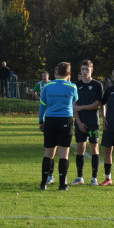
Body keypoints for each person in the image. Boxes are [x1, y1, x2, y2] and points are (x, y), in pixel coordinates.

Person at [38, 61, 78, 190]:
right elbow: (74, 100)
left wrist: (41, 121)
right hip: (65, 120)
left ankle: (43, 183)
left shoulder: (47, 86)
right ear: (69, 73)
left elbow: (42, 105)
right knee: (64, 154)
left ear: (56, 72)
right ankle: (62, 184)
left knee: (48, 153)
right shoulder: (72, 87)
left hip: (50, 120)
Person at [72, 60, 104, 186]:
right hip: (80, 121)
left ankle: (94, 178)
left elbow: (98, 104)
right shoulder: (76, 85)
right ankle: (80, 177)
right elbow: (74, 106)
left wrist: (82, 107)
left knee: (94, 147)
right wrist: (79, 122)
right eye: (83, 69)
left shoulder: (97, 85)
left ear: (92, 70)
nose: (85, 72)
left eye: (87, 69)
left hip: (93, 122)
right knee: (80, 148)